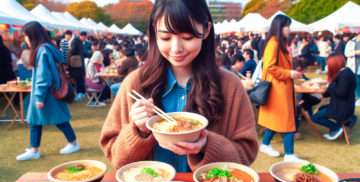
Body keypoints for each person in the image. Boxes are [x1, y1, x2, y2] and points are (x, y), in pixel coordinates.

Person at [100, 0, 258, 172]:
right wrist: (138, 131)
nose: (176, 48)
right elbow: (116, 159)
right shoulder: (135, 83)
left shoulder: (230, 86)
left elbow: (245, 156)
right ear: (154, 33)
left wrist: (207, 145)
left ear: (205, 31)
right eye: (166, 37)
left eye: (187, 37)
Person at [17, 21, 80, 161]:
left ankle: (71, 144)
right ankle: (36, 149)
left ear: (32, 35)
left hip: (46, 93)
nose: (25, 39)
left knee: (51, 120)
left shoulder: (41, 50)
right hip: (50, 91)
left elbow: (43, 76)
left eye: (26, 36)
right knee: (41, 120)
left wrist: (39, 97)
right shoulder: (47, 48)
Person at [258, 14, 304, 162]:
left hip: (279, 87)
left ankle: (265, 144)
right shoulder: (274, 43)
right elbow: (270, 67)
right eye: (287, 26)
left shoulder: (276, 42)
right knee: (287, 119)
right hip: (279, 88)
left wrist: (289, 73)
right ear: (280, 27)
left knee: (278, 119)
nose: (289, 29)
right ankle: (289, 154)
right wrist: (289, 73)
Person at [311, 54, 356, 140]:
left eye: (328, 64)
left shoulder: (344, 76)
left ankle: (337, 128)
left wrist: (331, 86)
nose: (327, 66)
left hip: (342, 108)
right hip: (343, 105)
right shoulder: (345, 72)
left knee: (314, 117)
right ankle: (336, 129)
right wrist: (326, 91)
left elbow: (340, 93)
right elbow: (334, 91)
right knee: (321, 109)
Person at [344, 31, 360, 107]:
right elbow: (346, 53)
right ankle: (358, 98)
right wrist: (355, 52)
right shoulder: (351, 42)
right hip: (353, 66)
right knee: (356, 82)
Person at [68, 36, 86, 102]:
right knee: (80, 79)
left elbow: (71, 52)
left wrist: (67, 61)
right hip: (79, 64)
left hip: (75, 64)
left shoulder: (74, 41)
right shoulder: (79, 41)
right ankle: (81, 92)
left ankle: (79, 93)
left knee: (78, 79)